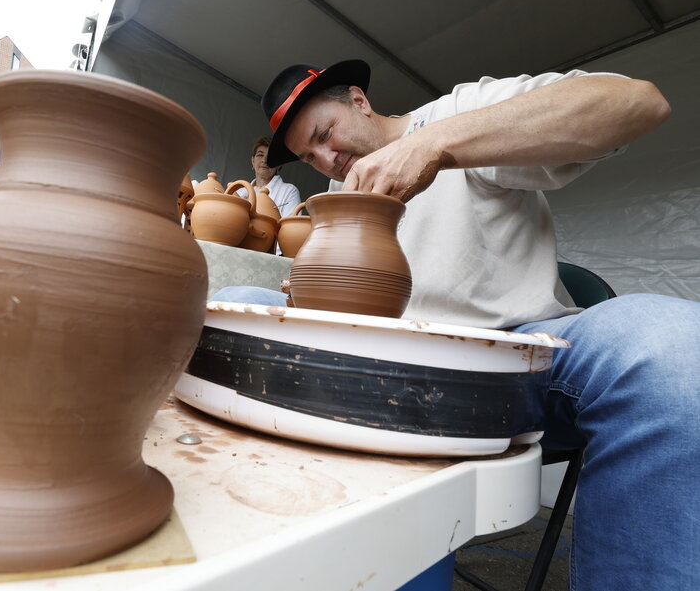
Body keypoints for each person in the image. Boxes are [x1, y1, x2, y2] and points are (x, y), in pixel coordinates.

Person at [215, 60, 700, 589]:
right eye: (310, 156)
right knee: (233, 301)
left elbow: (637, 103)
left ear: (358, 99)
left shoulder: (456, 113)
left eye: (325, 134)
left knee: (672, 344)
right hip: (385, 368)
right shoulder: (338, 192)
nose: (327, 159)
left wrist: (436, 144)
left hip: (517, 361)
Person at [238, 135, 301, 218]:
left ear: (279, 164)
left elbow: (291, 228)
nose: (264, 160)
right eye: (260, 155)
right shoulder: (239, 192)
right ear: (252, 160)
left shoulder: (289, 191)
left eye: (270, 157)